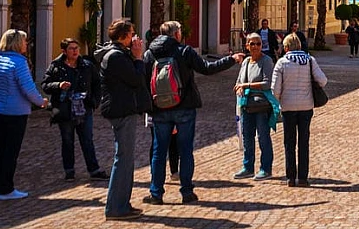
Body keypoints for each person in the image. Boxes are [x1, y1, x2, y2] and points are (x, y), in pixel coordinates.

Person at [143, 21, 244, 205]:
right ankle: (187, 192)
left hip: (159, 108)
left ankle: (156, 193)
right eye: (180, 31)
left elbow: (144, 80)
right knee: (185, 151)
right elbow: (207, 68)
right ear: (176, 34)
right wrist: (231, 59)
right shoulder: (184, 51)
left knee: (159, 152)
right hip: (184, 106)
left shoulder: (149, 53)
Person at [0, 29, 49, 201]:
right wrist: (41, 102)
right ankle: (6, 188)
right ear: (18, 43)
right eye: (25, 41)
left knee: (0, 150)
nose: (27, 44)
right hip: (16, 112)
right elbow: (27, 88)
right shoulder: (19, 63)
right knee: (11, 152)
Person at [95, 19, 149, 220]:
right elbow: (135, 79)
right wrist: (137, 58)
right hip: (121, 110)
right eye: (132, 33)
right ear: (123, 35)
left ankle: (122, 204)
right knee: (123, 159)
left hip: (123, 108)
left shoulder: (117, 54)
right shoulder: (116, 57)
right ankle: (116, 207)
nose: (135, 37)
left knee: (126, 158)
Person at [40, 37, 107, 181]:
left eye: (76, 48)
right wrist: (58, 85)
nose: (75, 51)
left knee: (87, 139)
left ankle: (94, 170)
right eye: (71, 48)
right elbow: (45, 85)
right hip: (65, 109)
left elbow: (97, 84)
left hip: (84, 108)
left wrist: (95, 101)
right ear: (64, 51)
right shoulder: (56, 66)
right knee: (67, 140)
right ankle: (69, 171)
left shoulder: (87, 66)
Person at [272, 33, 328, 187]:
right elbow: (323, 80)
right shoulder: (310, 61)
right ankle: (303, 178)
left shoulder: (281, 63)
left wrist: (279, 100)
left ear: (286, 47)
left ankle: (290, 177)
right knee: (304, 142)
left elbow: (275, 89)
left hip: (288, 107)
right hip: (306, 106)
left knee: (289, 142)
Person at [234, 33, 276, 180]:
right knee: (247, 137)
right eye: (252, 44)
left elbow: (267, 83)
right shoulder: (245, 62)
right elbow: (239, 81)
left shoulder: (267, 61)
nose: (255, 47)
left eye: (258, 44)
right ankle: (248, 167)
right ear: (247, 46)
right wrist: (239, 88)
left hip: (262, 105)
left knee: (263, 137)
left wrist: (246, 85)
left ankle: (266, 168)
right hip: (246, 105)